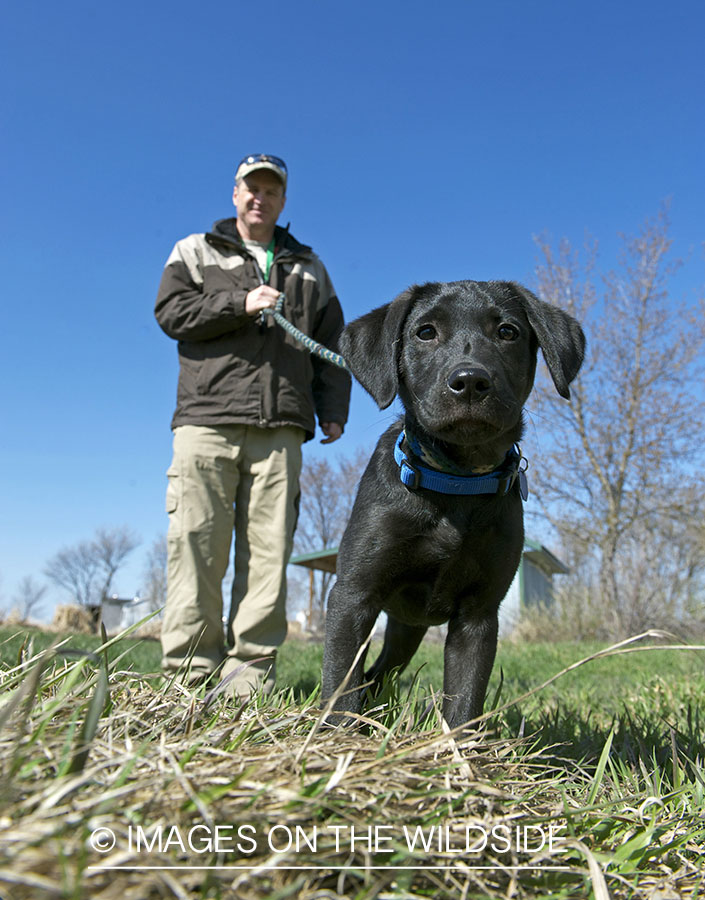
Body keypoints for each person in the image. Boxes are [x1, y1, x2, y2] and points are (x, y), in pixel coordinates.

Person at [155, 153, 351, 697]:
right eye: (251, 188)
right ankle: (188, 679)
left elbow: (334, 342)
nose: (260, 198)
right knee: (197, 543)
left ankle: (248, 682)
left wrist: (333, 406)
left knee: (269, 553)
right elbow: (172, 314)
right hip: (206, 420)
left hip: (283, 424)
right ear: (235, 194)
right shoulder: (195, 251)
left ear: (283, 200)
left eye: (271, 190)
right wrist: (240, 302)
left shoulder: (310, 267)